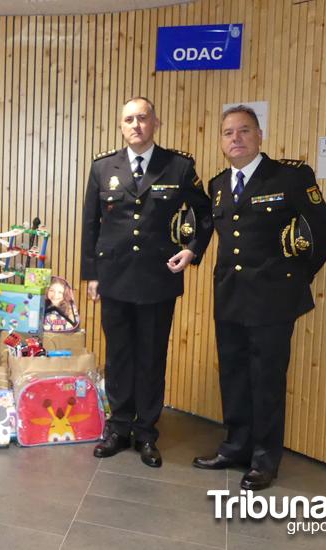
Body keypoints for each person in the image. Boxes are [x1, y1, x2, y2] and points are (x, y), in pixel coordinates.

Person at [192, 105, 326, 490]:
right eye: (228, 133)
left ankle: (264, 459)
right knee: (234, 376)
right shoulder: (218, 184)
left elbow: (325, 230)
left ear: (260, 137)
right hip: (229, 297)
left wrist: (297, 277)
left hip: (273, 302)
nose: (235, 138)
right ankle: (235, 447)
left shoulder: (290, 177)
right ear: (222, 142)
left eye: (244, 131)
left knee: (267, 380)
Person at [81, 96, 213, 468]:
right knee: (119, 354)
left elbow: (205, 215)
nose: (135, 125)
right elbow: (90, 224)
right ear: (121, 126)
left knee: (152, 356)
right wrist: (91, 274)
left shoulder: (179, 166)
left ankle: (146, 432)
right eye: (128, 120)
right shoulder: (103, 167)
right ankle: (119, 427)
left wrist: (192, 251)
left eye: (142, 118)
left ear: (156, 123)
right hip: (115, 277)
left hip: (158, 278)